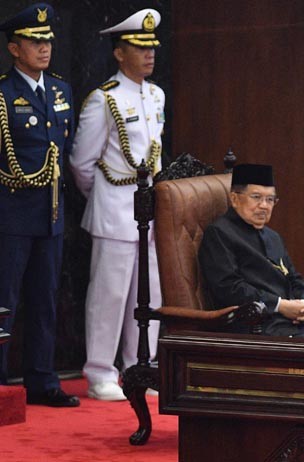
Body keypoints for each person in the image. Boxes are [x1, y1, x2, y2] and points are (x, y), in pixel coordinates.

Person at [69, 9, 165, 401]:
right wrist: (104, 200)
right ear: (119, 54)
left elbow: (155, 153)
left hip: (150, 210)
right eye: (139, 49)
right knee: (109, 294)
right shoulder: (103, 99)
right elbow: (81, 163)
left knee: (151, 292)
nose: (149, 56)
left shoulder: (155, 94)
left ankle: (141, 365)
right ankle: (99, 372)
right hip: (114, 208)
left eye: (152, 49)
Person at [0, 3, 79, 407]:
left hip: (51, 212)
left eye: (47, 40)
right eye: (34, 41)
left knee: (46, 298)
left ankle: (43, 381)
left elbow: (64, 154)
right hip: (11, 212)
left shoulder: (61, 90)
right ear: (14, 48)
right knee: (5, 301)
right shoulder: (3, 94)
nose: (44, 48)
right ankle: (0, 383)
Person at [198, 164, 304, 337]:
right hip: (254, 326)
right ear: (235, 199)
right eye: (256, 197)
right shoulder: (219, 233)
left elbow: (295, 279)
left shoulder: (273, 236)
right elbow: (229, 288)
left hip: (292, 322)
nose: (264, 206)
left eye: (270, 200)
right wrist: (281, 305)